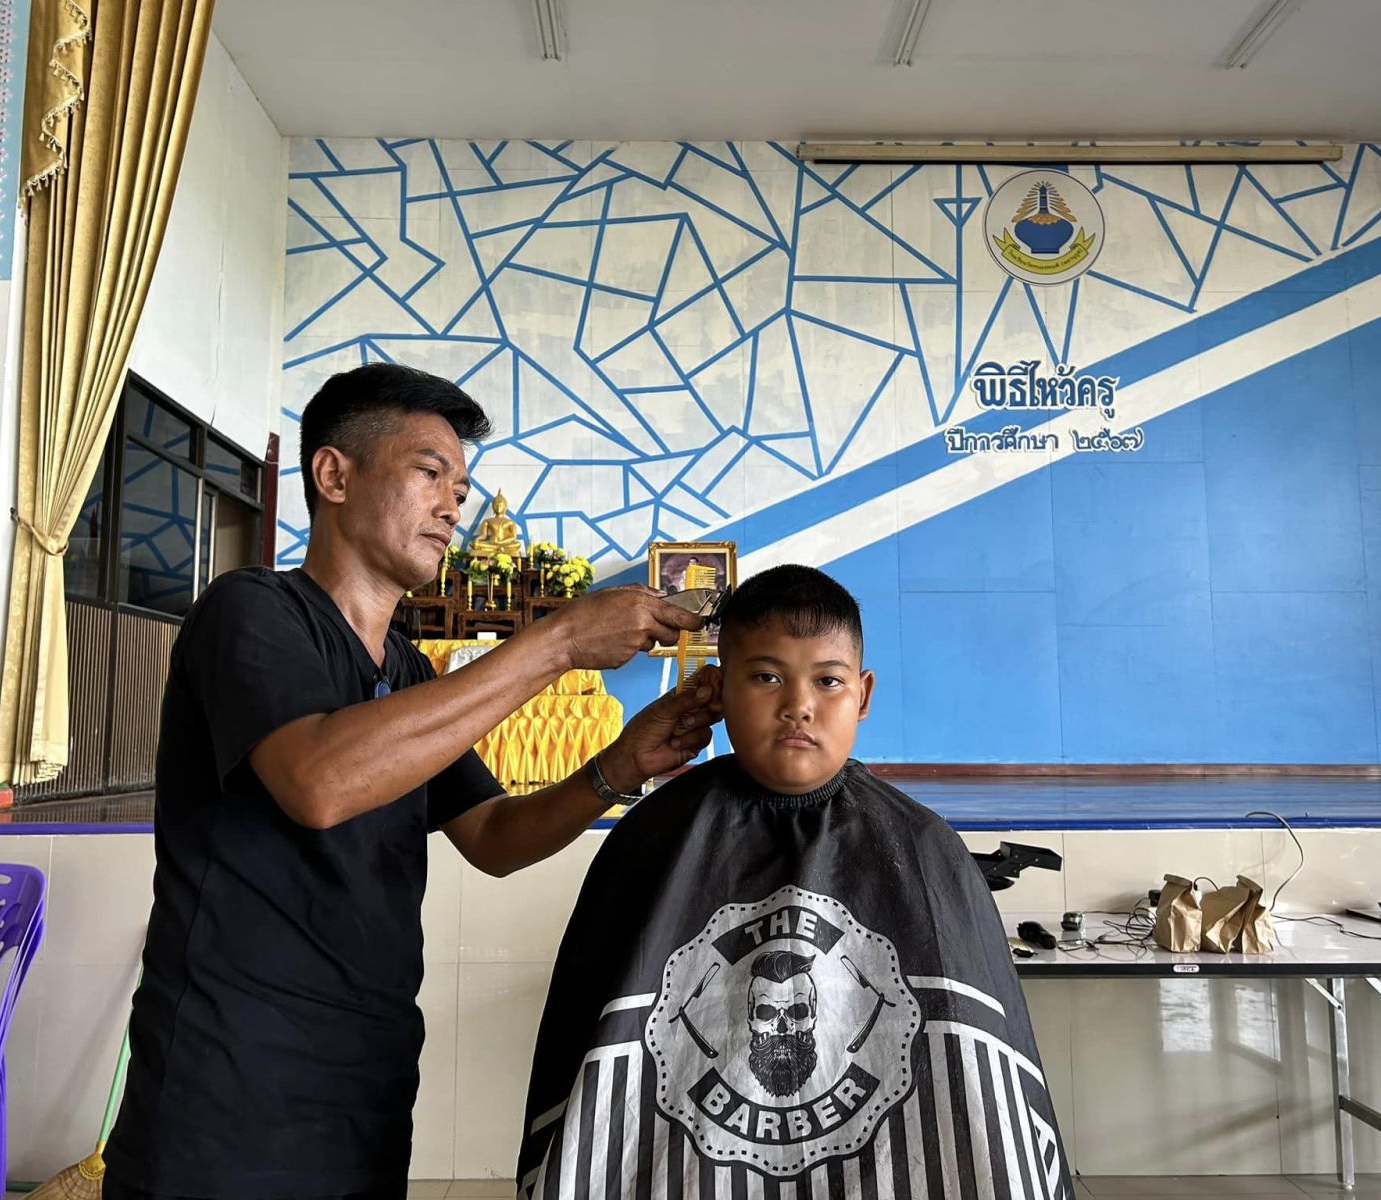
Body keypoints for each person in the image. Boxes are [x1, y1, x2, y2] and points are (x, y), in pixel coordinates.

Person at [103, 364, 718, 1200]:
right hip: (229, 1078)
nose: (453, 507)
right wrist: (559, 642)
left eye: (460, 490)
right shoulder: (250, 612)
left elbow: (493, 836)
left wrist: (619, 766)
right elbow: (320, 782)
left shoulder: (406, 667)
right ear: (334, 476)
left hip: (366, 1072)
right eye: (429, 473)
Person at [514, 565, 1071, 1199]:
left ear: (863, 695)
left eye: (827, 681)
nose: (798, 705)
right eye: (766, 677)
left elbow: (980, 1078)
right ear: (718, 689)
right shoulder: (652, 839)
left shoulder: (922, 846)